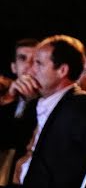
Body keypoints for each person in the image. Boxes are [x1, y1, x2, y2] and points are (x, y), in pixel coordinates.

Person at [0, 35, 86, 187]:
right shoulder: (37, 101)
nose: (31, 70)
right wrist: (8, 99)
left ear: (62, 70)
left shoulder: (78, 104)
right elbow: (6, 139)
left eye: (39, 63)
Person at [0, 39, 37, 185]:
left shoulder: (49, 100)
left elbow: (20, 141)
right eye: (23, 58)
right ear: (14, 67)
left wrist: (32, 101)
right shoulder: (6, 97)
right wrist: (8, 99)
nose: (28, 66)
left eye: (35, 60)